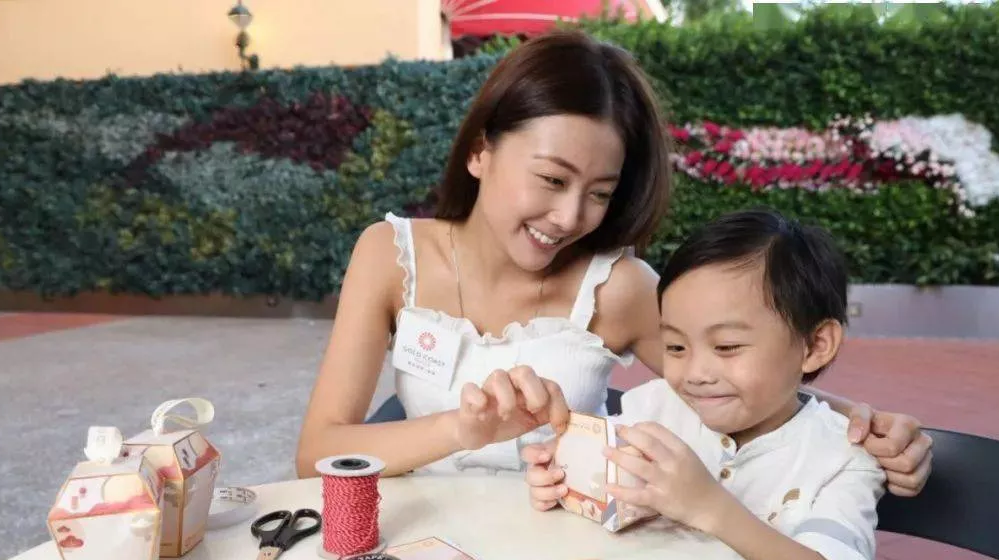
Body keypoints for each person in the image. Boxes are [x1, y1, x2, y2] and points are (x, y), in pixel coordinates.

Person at [295, 28, 933, 495]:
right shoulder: (390, 256)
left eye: (599, 193)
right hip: (427, 552)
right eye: (552, 179)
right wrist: (462, 430)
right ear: (480, 152)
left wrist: (863, 422)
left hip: (576, 559)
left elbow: (740, 380)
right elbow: (318, 453)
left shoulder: (618, 288)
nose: (570, 217)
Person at [524, 208, 889, 560]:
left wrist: (708, 507)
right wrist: (562, 477)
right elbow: (603, 489)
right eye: (675, 345)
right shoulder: (656, 408)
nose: (695, 372)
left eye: (726, 346)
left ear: (814, 345)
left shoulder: (843, 457)